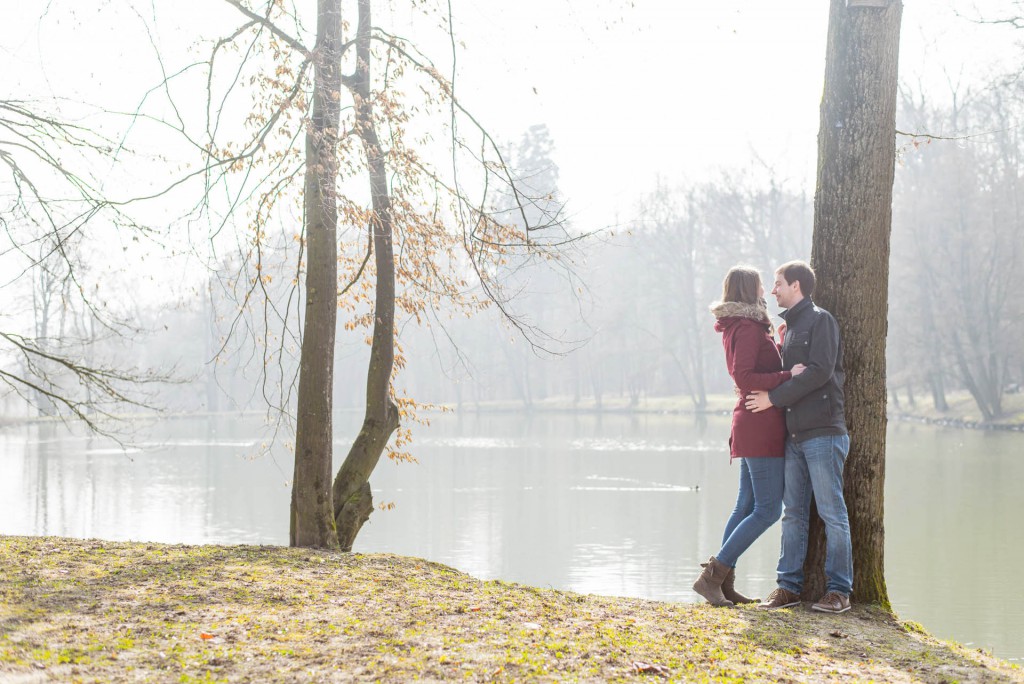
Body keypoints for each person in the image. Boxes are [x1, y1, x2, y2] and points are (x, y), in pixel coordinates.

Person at [692, 266, 805, 607]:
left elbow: (750, 370)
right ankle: (712, 576)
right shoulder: (747, 327)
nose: (766, 291)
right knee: (768, 509)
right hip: (760, 424)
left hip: (756, 419)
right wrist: (787, 375)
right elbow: (744, 374)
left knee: (746, 505)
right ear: (748, 290)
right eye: (760, 285)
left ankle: (723, 584)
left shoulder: (745, 326)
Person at [745, 260, 853, 614]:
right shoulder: (787, 328)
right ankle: (787, 587)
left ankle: (839, 592)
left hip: (823, 433)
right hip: (794, 435)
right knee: (793, 513)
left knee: (831, 512)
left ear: (796, 285)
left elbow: (821, 372)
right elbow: (786, 372)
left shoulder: (821, 320)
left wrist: (774, 398)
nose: (773, 290)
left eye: (778, 283)